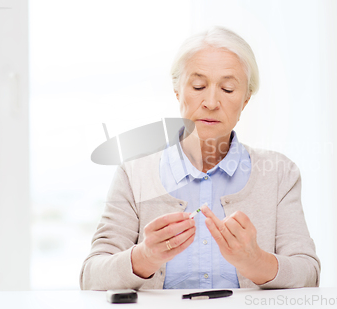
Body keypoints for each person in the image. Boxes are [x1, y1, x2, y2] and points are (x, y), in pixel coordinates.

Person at [80, 26, 320, 290]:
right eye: (198, 86)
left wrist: (256, 261)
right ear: (177, 91)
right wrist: (144, 257)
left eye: (228, 89)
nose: (211, 101)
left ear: (246, 99)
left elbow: (308, 274)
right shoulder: (134, 172)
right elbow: (91, 276)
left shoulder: (280, 173)